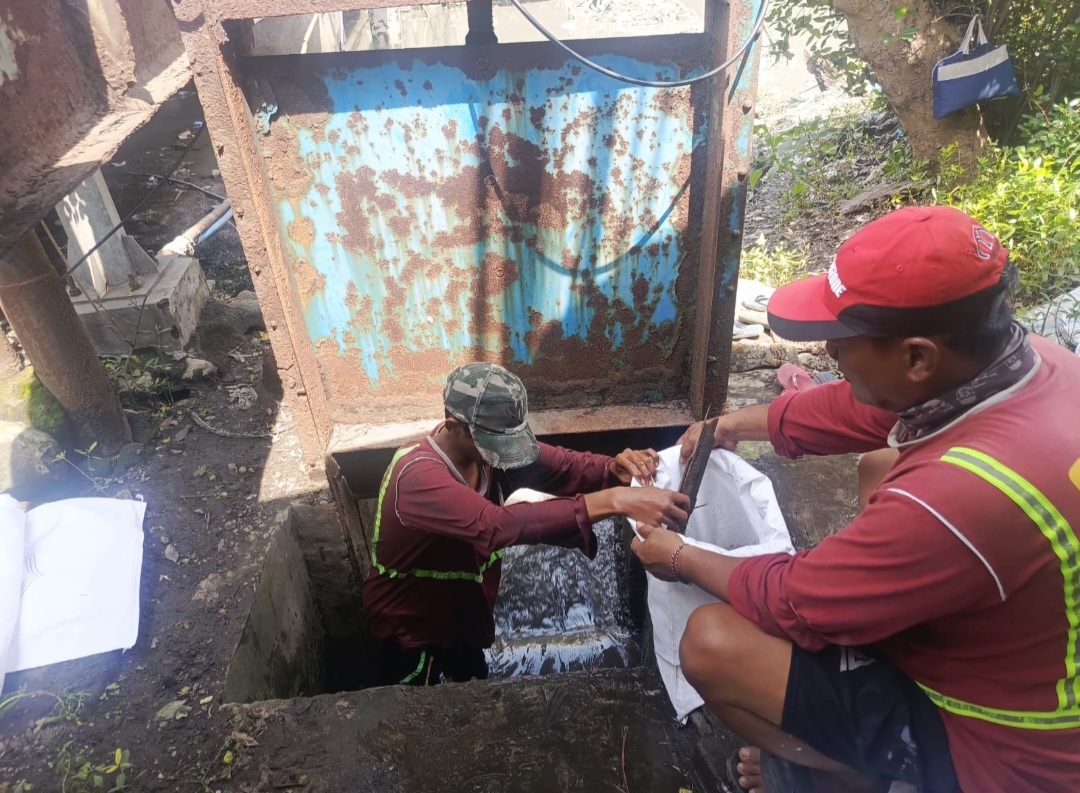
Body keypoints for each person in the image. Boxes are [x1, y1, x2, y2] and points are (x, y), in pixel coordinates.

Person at [632, 205, 1080, 793]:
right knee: (880, 463)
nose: (828, 353)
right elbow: (863, 407)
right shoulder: (1031, 363)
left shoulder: (954, 500)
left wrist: (679, 557)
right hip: (1021, 651)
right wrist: (728, 424)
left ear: (917, 356)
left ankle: (860, 777)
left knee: (713, 643)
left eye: (842, 339)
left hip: (1003, 754)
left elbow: (797, 601)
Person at [364, 361, 690, 686]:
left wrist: (612, 470)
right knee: (417, 705)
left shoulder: (483, 452)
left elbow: (562, 466)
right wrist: (614, 500)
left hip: (463, 618)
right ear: (454, 426)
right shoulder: (417, 477)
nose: (504, 452)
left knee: (471, 686)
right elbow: (494, 526)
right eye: (496, 442)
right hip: (412, 632)